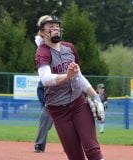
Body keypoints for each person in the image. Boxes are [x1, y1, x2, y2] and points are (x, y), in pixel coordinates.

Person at [35, 15, 105, 160]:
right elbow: (46, 79)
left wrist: (95, 97)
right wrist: (67, 76)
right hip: (58, 110)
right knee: (75, 156)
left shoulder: (69, 48)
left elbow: (78, 76)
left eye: (56, 26)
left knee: (92, 150)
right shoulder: (43, 51)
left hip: (79, 104)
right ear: (42, 32)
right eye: (50, 27)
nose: (55, 29)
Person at [34, 81, 53, 153]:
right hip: (48, 105)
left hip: (63, 105)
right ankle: (39, 145)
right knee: (44, 125)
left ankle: (70, 146)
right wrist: (44, 102)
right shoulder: (46, 76)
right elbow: (40, 89)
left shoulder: (64, 75)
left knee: (67, 127)